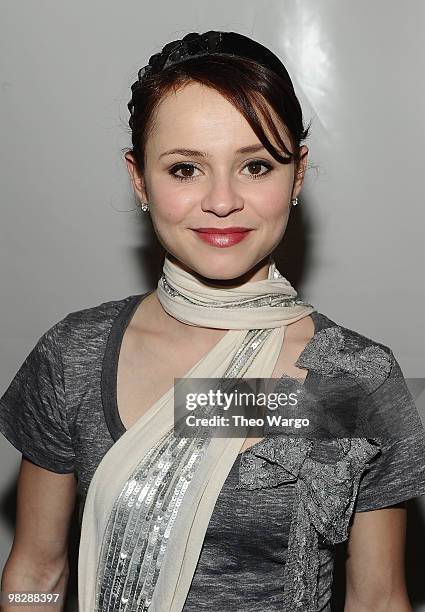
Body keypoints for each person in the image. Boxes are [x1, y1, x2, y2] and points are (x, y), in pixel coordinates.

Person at [1, 29, 425, 612]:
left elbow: (378, 599)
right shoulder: (74, 356)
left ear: (297, 176)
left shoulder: (352, 378)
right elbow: (35, 573)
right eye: (184, 169)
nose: (222, 200)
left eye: (255, 166)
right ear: (138, 178)